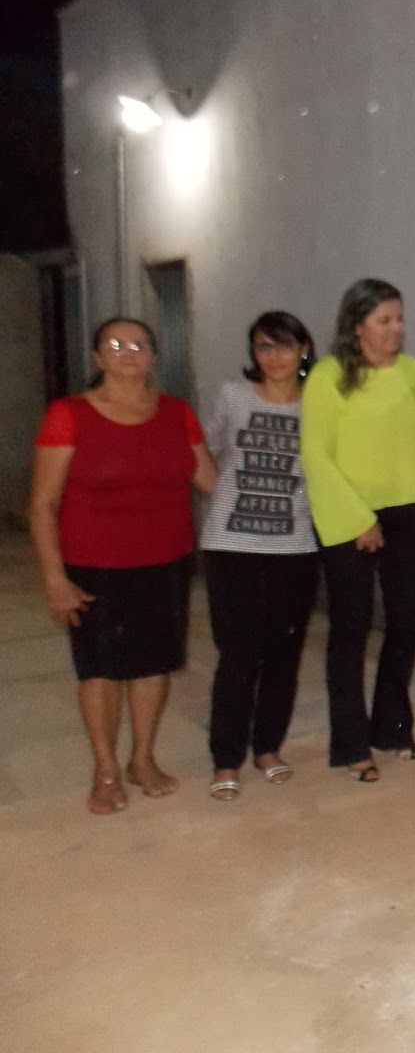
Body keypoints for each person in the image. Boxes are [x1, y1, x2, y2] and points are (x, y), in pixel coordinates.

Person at [29, 317, 217, 813]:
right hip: (94, 565)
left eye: (139, 344)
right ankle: (106, 768)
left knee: (153, 664)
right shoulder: (69, 414)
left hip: (166, 561)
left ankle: (142, 759)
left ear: (153, 356)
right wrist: (54, 577)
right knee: (101, 670)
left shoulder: (176, 412)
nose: (129, 352)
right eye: (115, 344)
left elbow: (211, 482)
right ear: (97, 357)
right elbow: (43, 504)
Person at [301, 278, 415, 782]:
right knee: (351, 629)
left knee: (409, 619)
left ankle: (392, 727)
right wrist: (359, 519)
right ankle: (350, 742)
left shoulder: (413, 371)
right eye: (384, 320)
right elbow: (316, 455)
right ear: (357, 326)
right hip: (348, 513)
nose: (396, 328)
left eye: (400, 318)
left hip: (407, 510)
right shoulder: (329, 376)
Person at [199, 311, 320, 801]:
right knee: (238, 654)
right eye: (263, 347)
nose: (273, 357)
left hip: (294, 546)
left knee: (283, 654)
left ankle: (267, 747)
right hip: (232, 546)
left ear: (304, 349)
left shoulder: (318, 403)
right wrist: (219, 493)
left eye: (283, 346)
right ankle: (226, 758)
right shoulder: (234, 396)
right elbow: (199, 446)